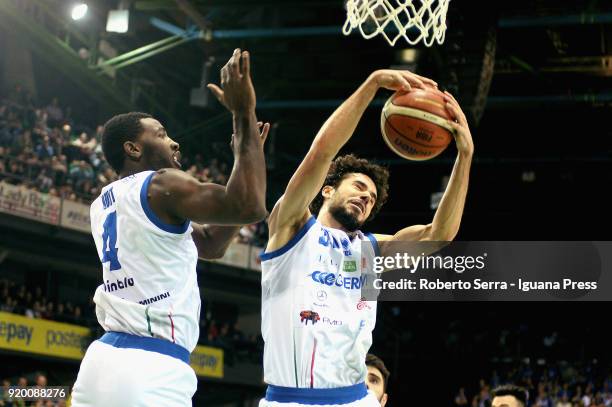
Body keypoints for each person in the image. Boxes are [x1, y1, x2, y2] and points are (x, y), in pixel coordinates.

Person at [259, 68, 473, 406]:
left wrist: (465, 156)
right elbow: (322, 152)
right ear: (326, 189)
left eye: (372, 197)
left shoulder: (370, 249)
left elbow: (439, 234)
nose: (365, 197)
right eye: (359, 187)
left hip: (354, 398)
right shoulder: (292, 226)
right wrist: (372, 84)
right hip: (290, 398)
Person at [71, 48, 268, 407]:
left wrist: (247, 157)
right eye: (161, 134)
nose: (173, 141)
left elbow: (209, 245)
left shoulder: (102, 203)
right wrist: (243, 116)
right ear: (132, 148)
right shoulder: (161, 184)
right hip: (151, 366)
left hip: (102, 363)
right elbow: (249, 206)